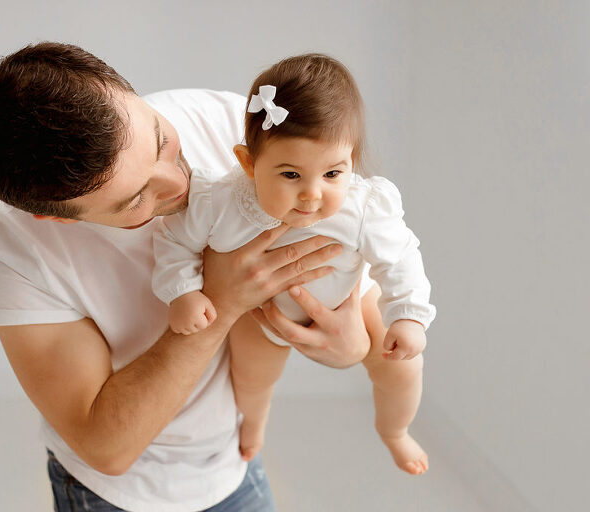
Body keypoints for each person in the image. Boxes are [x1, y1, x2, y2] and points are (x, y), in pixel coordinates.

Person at [0, 42, 376, 512]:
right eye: (136, 199)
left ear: (126, 90)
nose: (180, 183)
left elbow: (349, 248)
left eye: (160, 140)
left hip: (233, 464)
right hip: (113, 496)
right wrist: (221, 301)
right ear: (58, 218)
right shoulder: (5, 247)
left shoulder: (229, 122)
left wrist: (354, 343)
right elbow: (106, 446)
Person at [152, 54, 435, 475]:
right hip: (262, 313)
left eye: (333, 174)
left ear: (351, 161)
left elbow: (401, 258)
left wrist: (407, 316)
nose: (312, 195)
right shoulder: (220, 201)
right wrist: (183, 292)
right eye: (290, 175)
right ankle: (254, 421)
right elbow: (175, 239)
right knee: (252, 379)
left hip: (350, 301)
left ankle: (395, 430)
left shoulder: (363, 208)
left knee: (403, 368)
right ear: (249, 164)